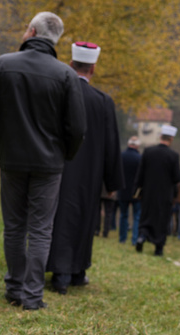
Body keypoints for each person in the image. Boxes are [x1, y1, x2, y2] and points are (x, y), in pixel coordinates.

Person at [0, 12, 87, 310]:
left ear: (32, 31)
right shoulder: (65, 75)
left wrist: (2, 147)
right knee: (40, 229)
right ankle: (33, 296)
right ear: (55, 39)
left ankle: (14, 288)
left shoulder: (1, 65)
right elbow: (76, 128)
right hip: (49, 165)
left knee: (14, 226)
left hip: (12, 160)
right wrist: (63, 154)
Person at [47, 41, 123, 295]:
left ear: (70, 64)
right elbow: (112, 145)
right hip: (90, 174)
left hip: (58, 168)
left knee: (58, 218)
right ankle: (77, 272)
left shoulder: (57, 93)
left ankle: (59, 272)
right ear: (93, 69)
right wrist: (112, 183)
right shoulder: (103, 101)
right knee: (83, 220)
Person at [134, 125, 180, 256]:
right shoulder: (173, 156)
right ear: (171, 139)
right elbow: (177, 177)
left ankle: (142, 236)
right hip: (165, 194)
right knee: (162, 220)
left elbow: (140, 173)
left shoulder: (148, 151)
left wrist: (137, 189)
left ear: (160, 136)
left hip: (148, 192)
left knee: (146, 216)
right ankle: (158, 247)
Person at [118, 136, 142, 245]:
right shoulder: (139, 158)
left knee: (123, 214)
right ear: (137, 145)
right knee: (136, 216)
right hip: (136, 191)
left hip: (123, 189)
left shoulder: (121, 156)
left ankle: (122, 238)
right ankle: (134, 239)